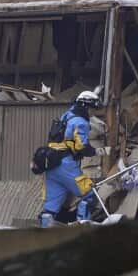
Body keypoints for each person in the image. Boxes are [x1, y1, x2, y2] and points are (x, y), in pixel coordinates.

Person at [40, 90, 108, 227]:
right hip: (66, 165)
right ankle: (82, 228)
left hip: (51, 163)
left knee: (51, 207)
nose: (92, 113)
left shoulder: (66, 116)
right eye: (92, 109)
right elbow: (81, 147)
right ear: (85, 107)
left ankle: (44, 232)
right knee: (89, 195)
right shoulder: (80, 122)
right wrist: (99, 151)